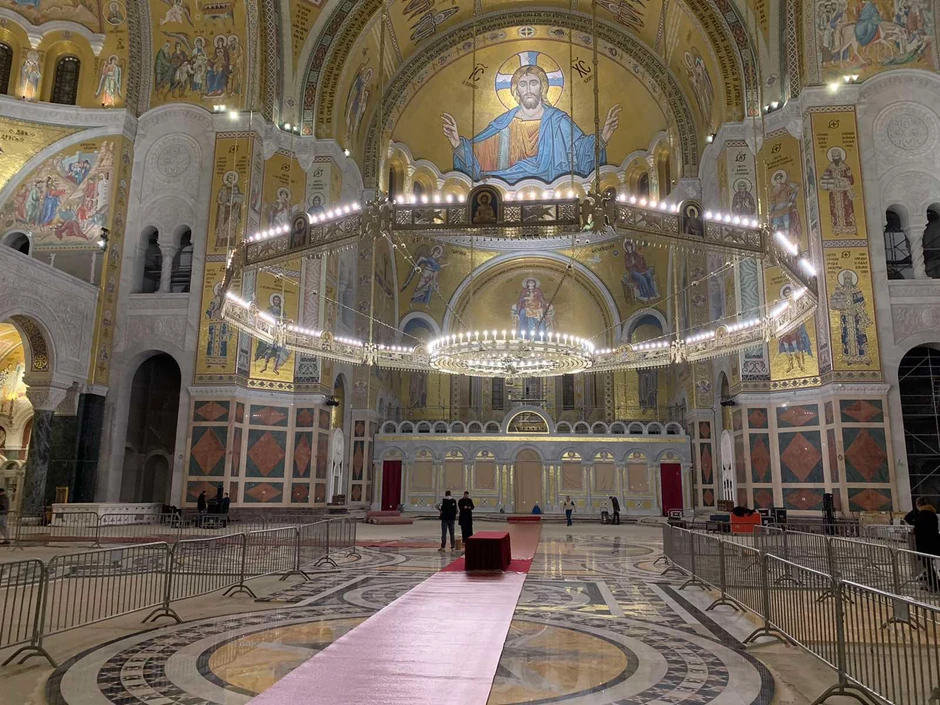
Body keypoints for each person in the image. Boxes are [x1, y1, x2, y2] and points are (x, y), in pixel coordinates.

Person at [905, 497, 940, 591]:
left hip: (925, 544)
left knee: (927, 565)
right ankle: (933, 582)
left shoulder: (922, 515)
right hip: (934, 542)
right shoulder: (932, 513)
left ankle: (934, 585)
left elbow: (908, 518)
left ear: (918, 504)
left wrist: (916, 509)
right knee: (929, 564)